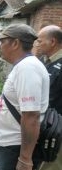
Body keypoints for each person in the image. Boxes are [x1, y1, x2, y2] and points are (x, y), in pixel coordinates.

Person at [0, 24, 50, 170]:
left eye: (2, 42)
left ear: (15, 43)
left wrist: (25, 158)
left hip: (13, 146)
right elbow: (9, 102)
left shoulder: (28, 68)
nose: (0, 46)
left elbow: (31, 116)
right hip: (3, 140)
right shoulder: (22, 66)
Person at [35, 25, 62, 170]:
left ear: (52, 42)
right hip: (45, 126)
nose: (37, 44)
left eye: (40, 41)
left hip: (56, 130)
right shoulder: (46, 61)